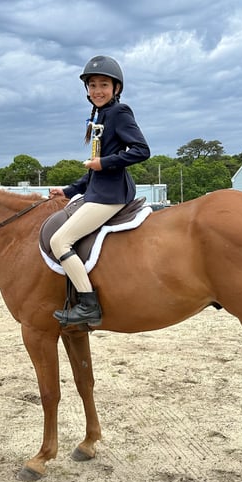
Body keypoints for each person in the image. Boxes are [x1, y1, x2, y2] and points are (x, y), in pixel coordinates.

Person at [49, 55, 151, 326]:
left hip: (111, 196)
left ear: (116, 88)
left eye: (103, 85)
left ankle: (88, 305)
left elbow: (142, 150)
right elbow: (93, 171)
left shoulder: (119, 112)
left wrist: (104, 162)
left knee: (59, 242)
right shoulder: (100, 116)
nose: (97, 91)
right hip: (99, 191)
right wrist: (68, 190)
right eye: (92, 85)